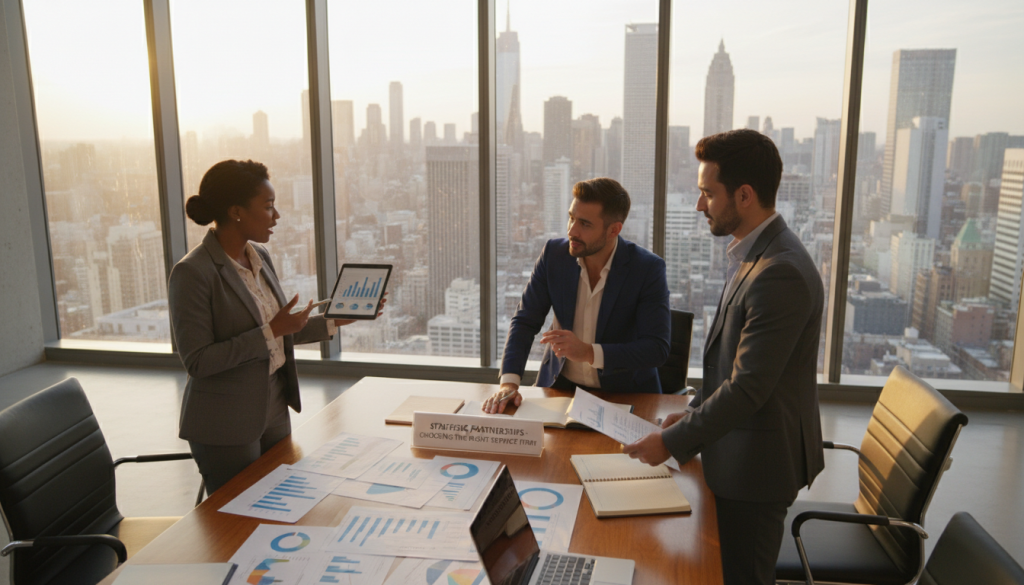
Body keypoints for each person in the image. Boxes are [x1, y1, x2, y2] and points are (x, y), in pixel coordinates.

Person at [623, 129, 825, 585]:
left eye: (707, 194)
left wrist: (671, 443)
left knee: (742, 577)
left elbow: (748, 386)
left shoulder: (781, 272)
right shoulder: (757, 253)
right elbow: (732, 367)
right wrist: (691, 413)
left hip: (757, 467)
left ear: (746, 195)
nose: (700, 206)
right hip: (739, 451)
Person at [168, 159, 375, 495]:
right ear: (237, 212)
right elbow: (198, 361)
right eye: (268, 207)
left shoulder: (260, 256)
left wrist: (335, 320)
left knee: (282, 500)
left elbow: (280, 332)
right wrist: (271, 331)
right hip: (225, 418)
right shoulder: (193, 273)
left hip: (273, 401)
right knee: (237, 519)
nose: (276, 216)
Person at [483, 177, 670, 414]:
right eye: (571, 218)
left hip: (625, 397)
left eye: (584, 224)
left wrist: (588, 352)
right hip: (560, 390)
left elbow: (656, 348)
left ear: (614, 229)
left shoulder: (646, 269)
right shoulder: (554, 255)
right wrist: (509, 384)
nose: (572, 230)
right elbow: (524, 321)